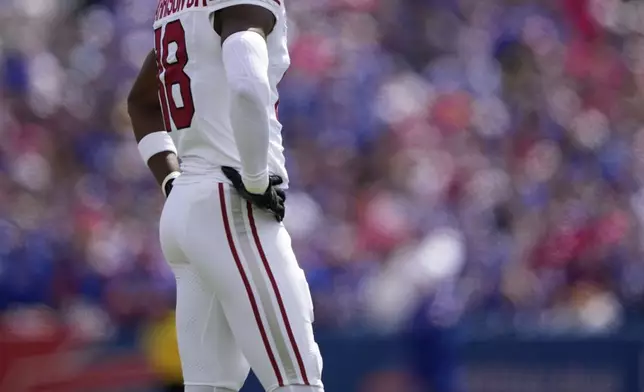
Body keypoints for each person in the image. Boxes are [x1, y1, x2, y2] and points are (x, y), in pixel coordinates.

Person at [127, 1, 324, 391]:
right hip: (232, 203)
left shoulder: (175, 7)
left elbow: (141, 102)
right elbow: (248, 82)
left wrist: (171, 181)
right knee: (297, 382)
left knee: (209, 387)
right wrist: (255, 179)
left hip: (187, 205)